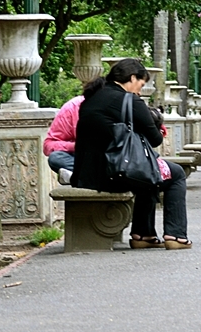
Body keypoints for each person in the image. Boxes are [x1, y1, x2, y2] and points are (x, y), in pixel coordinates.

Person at [73, 59, 191, 250]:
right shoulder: (129, 100)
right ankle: (175, 235)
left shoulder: (92, 97)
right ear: (132, 78)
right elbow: (155, 139)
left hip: (87, 173)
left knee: (148, 172)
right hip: (112, 174)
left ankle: (143, 234)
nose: (139, 91)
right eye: (141, 85)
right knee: (175, 174)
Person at [43, 95, 85, 185]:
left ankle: (78, 177)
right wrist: (75, 146)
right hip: (83, 158)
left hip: (110, 158)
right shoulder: (73, 106)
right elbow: (48, 145)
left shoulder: (116, 103)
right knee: (55, 158)